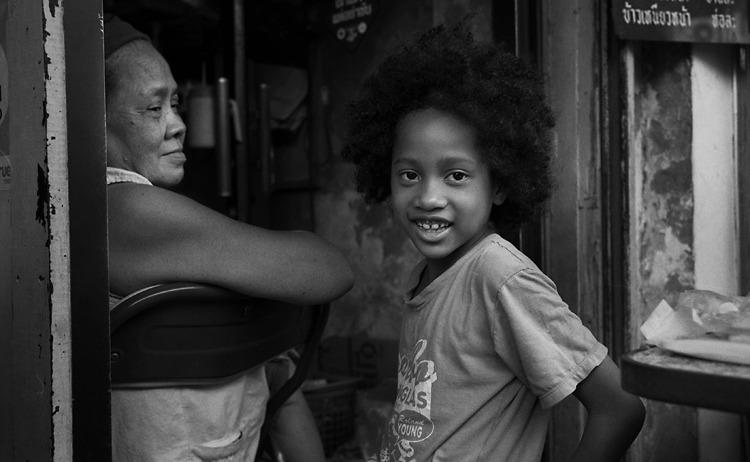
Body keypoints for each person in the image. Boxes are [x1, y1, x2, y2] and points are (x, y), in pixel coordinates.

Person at [342, 21, 645, 462]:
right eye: (409, 174)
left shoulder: (499, 276)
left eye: (456, 176)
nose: (428, 197)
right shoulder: (427, 276)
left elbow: (619, 408)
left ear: (499, 184)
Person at [103, 14, 352, 462]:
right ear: (92, 121)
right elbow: (329, 269)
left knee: (278, 364)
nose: (177, 123)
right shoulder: (121, 208)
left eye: (175, 103)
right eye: (152, 108)